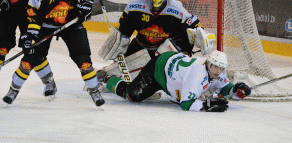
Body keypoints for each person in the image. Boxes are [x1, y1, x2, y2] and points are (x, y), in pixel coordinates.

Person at [2, 0, 105, 107]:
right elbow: (33, 15)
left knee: (83, 60)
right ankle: (14, 89)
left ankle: (94, 90)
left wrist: (88, 5)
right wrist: (30, 36)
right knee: (28, 60)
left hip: (71, 24)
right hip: (46, 26)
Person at [97, 50, 251, 112]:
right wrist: (205, 105)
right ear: (209, 64)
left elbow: (224, 87)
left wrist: (236, 90)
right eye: (215, 67)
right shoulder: (196, 75)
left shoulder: (215, 71)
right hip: (158, 69)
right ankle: (106, 78)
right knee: (132, 95)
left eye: (221, 68)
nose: (218, 71)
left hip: (173, 70)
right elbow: (185, 104)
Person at [115, 0, 215, 59]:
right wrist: (118, 45)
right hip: (141, 44)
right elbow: (124, 29)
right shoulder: (135, 4)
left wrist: (202, 34)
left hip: (165, 48)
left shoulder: (176, 8)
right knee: (122, 69)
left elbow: (192, 23)